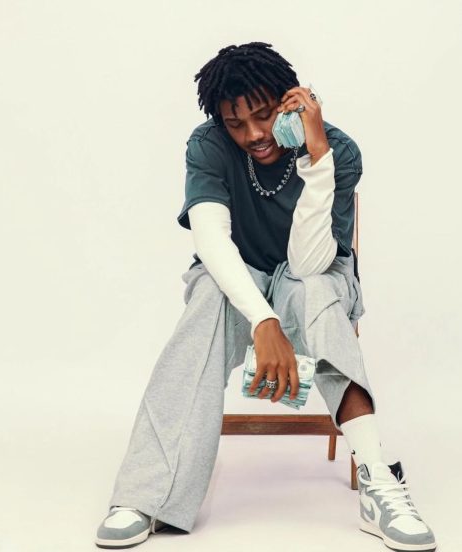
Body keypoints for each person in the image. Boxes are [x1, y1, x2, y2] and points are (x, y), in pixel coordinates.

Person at [94, 41, 436, 551]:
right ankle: (147, 494)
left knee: (316, 291)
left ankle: (379, 483)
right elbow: (211, 241)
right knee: (209, 297)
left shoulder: (339, 152)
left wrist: (316, 157)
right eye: (236, 123)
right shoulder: (209, 146)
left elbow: (308, 262)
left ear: (290, 101)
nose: (253, 134)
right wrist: (263, 320)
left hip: (314, 270)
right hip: (240, 276)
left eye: (264, 114)